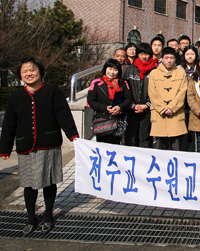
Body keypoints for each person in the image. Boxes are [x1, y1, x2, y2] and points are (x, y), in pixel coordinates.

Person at [0, 57, 79, 235]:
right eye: (24, 71)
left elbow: (63, 114)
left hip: (48, 144)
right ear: (20, 75)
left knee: (49, 182)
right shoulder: (16, 97)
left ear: (41, 72)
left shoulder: (52, 90)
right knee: (29, 184)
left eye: (32, 70)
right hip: (26, 146)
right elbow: (9, 124)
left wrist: (73, 135)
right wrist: (5, 147)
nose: (29, 74)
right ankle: (30, 218)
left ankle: (48, 215)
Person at [148, 47, 188, 150]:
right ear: (162, 58)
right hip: (159, 114)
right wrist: (162, 108)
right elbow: (152, 93)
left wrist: (172, 107)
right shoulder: (154, 73)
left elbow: (182, 92)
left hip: (176, 113)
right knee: (160, 147)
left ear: (175, 59)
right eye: (166, 58)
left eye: (171, 57)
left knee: (177, 147)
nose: (169, 60)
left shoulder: (181, 73)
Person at [87, 59, 132, 144]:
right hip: (102, 119)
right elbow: (91, 101)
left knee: (115, 145)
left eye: (115, 69)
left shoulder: (123, 83)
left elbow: (129, 98)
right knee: (102, 146)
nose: (112, 72)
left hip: (118, 119)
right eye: (110, 69)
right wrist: (105, 108)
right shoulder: (96, 83)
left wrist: (120, 107)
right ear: (105, 69)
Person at [123, 43, 157, 148]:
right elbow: (124, 89)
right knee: (131, 138)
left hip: (148, 110)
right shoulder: (129, 70)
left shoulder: (155, 71)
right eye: (141, 54)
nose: (144, 57)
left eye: (146, 54)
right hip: (131, 109)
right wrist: (132, 105)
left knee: (145, 138)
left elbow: (157, 91)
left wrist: (147, 104)